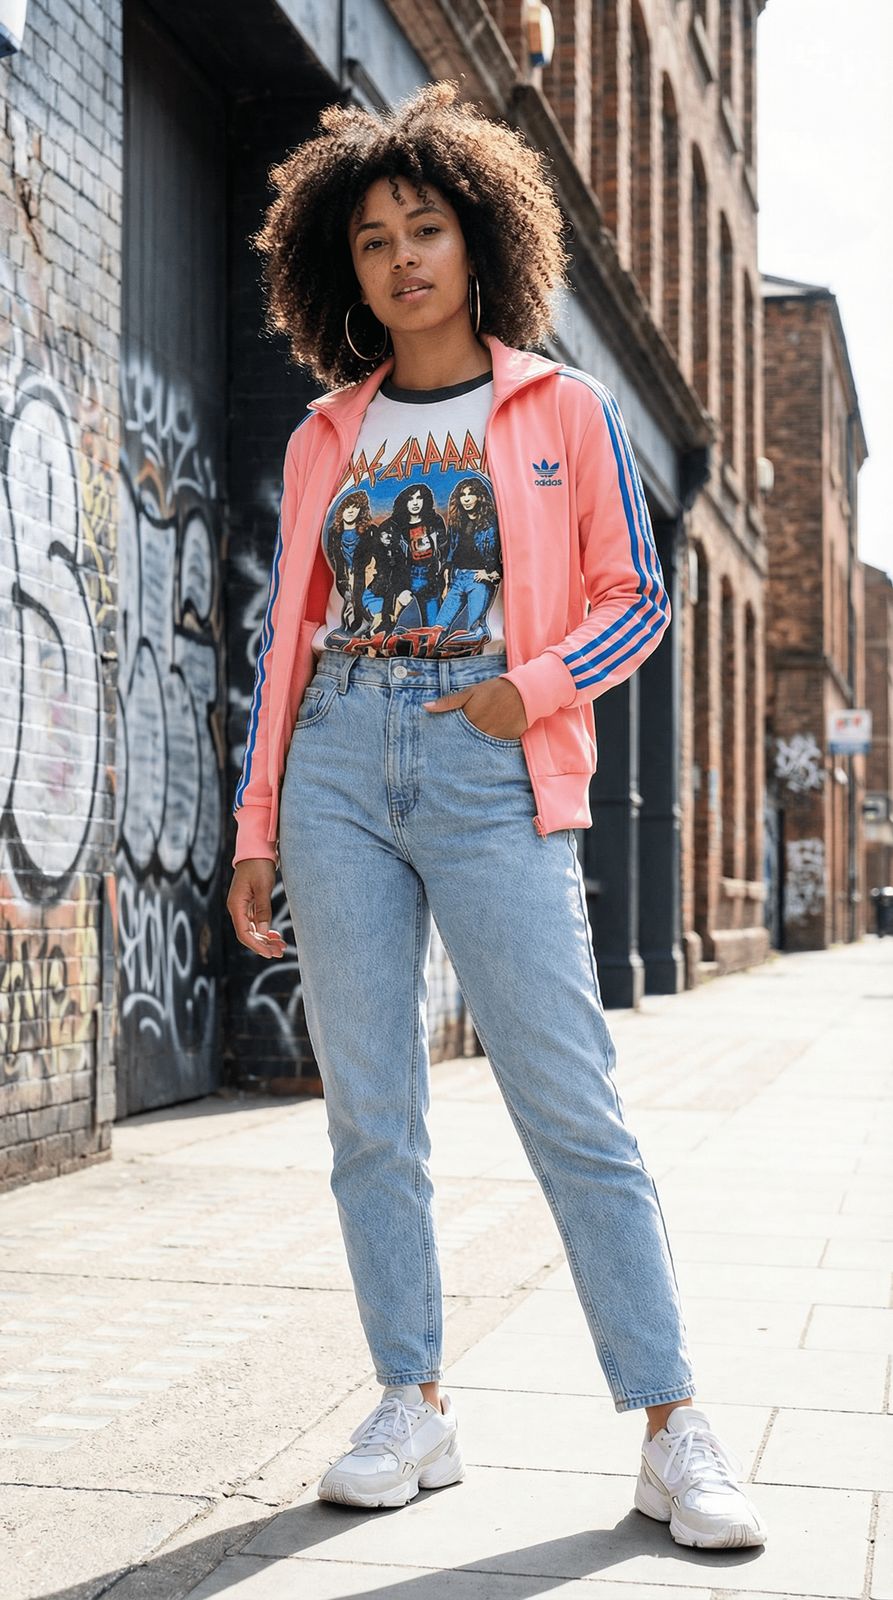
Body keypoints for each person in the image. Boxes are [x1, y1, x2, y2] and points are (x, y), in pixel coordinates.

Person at [226, 81, 767, 1552]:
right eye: (374, 240)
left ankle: (670, 1428)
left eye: (428, 228)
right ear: (343, 270)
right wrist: (258, 819)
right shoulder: (323, 437)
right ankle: (414, 1402)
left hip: (491, 759)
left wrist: (527, 692)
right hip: (338, 756)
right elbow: (288, 642)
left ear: (479, 243)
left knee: (569, 1103)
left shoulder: (562, 406)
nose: (402, 258)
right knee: (371, 1114)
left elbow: (633, 602)